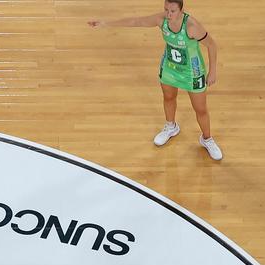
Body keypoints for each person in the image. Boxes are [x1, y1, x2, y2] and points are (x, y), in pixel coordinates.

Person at [88, 0, 223, 161]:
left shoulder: (192, 26)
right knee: (168, 98)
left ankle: (207, 139)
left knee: (200, 109)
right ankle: (171, 127)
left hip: (192, 72)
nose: (168, 14)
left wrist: (212, 71)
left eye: (172, 11)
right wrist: (105, 23)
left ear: (181, 10)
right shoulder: (162, 20)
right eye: (166, 10)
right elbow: (136, 21)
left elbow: (212, 45)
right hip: (169, 67)